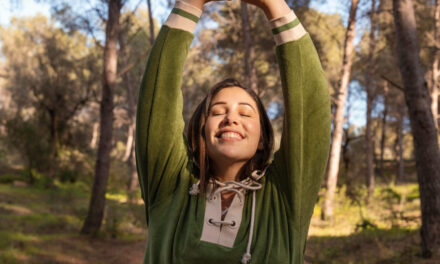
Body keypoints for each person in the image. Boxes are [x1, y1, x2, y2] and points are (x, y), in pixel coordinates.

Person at [135, 0, 331, 263]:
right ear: (202, 131)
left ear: (262, 139)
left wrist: (274, 6)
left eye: (246, 113)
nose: (231, 119)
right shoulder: (171, 186)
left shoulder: (284, 196)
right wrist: (191, 4)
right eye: (217, 111)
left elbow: (311, 110)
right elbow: (157, 100)